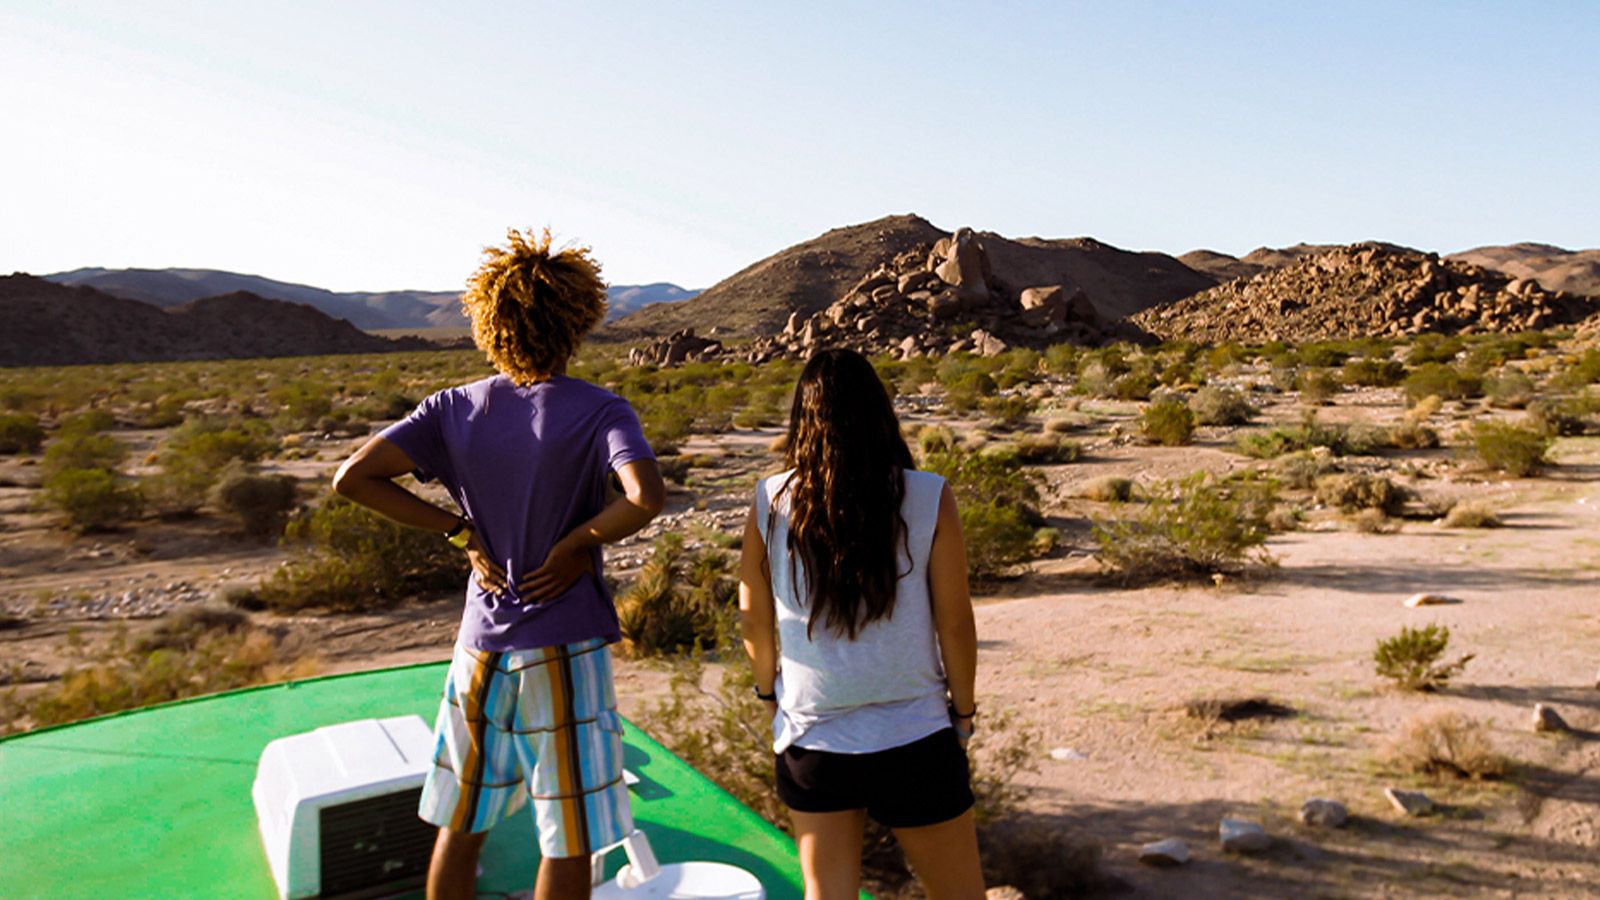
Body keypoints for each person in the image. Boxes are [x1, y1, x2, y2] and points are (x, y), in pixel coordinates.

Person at [333, 228, 665, 900]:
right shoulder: (601, 408)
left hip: (480, 643)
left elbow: (353, 478)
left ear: (491, 322)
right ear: (578, 320)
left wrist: (460, 532)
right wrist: (577, 545)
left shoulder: (453, 407)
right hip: (564, 640)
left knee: (464, 820)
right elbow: (644, 497)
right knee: (569, 834)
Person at [738, 348, 984, 900]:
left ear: (803, 419)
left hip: (814, 737)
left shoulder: (770, 501)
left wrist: (766, 691)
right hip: (917, 734)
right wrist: (962, 714)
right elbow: (956, 621)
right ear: (880, 412)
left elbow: (752, 615)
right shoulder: (927, 494)